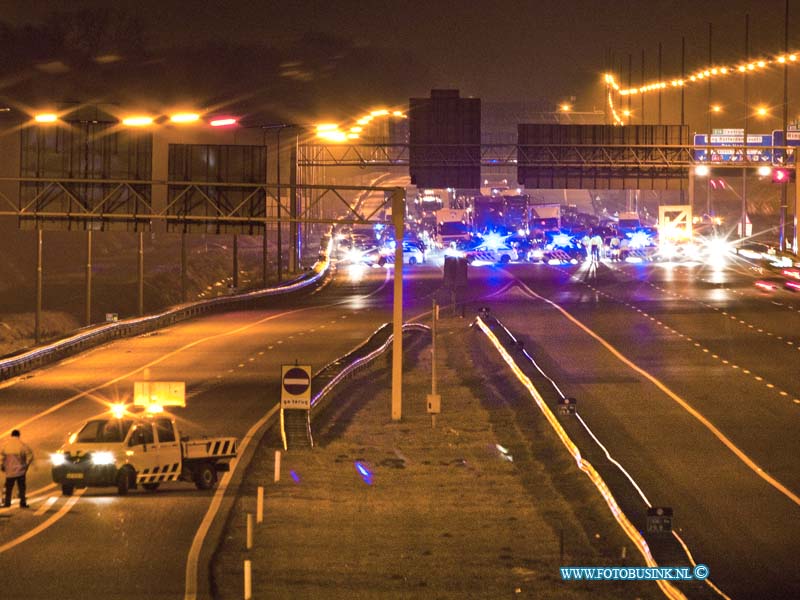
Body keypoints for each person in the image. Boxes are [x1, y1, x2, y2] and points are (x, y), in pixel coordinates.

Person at [1, 429, 34, 508]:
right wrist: (26, 465)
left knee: (8, 488)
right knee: (22, 487)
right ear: (19, 435)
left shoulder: (6, 445)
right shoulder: (22, 445)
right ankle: (22, 502)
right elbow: (30, 456)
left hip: (9, 471)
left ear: (11, 435)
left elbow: (1, 456)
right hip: (20, 470)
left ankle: (7, 502)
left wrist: (2, 465)